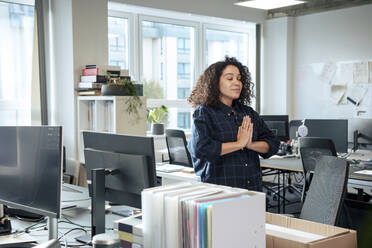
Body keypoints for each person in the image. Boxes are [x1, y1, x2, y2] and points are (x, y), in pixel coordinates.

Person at [187, 56, 279, 191]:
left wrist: (250, 144)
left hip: (252, 189)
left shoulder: (248, 113)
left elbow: (273, 143)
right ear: (214, 83)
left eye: (239, 79)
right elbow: (201, 149)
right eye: (230, 78)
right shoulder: (205, 112)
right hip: (220, 191)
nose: (237, 83)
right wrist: (238, 144)